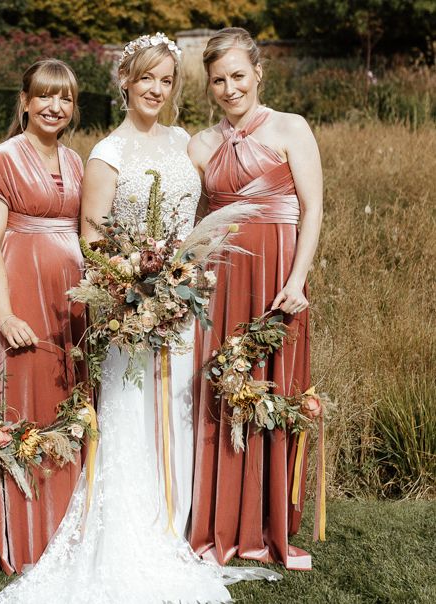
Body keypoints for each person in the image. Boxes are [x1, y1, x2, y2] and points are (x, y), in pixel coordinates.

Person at [0, 34, 279, 604]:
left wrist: (184, 278)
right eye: (147, 78)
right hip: (133, 311)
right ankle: (137, 530)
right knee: (135, 417)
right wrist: (132, 291)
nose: (156, 89)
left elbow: (207, 212)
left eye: (166, 80)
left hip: (185, 304)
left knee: (181, 413)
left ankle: (179, 524)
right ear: (125, 82)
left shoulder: (186, 143)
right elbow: (91, 237)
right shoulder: (106, 153)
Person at [188, 27, 323, 571]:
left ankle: (272, 527)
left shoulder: (292, 128)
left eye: (238, 75)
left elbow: (312, 209)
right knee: (224, 390)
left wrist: (297, 280)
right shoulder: (200, 143)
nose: (229, 87)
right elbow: (196, 219)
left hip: (278, 279)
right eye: (218, 79)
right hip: (223, 283)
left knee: (274, 389)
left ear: (258, 74)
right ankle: (222, 524)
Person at [0, 59, 86, 575]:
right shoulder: (1, 159)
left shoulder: (78, 161)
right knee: (27, 407)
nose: (53, 106)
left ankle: (69, 529)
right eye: (43, 96)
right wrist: (5, 314)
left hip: (71, 305)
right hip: (23, 294)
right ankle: (26, 537)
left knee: (68, 406)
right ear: (24, 101)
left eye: (63, 98)